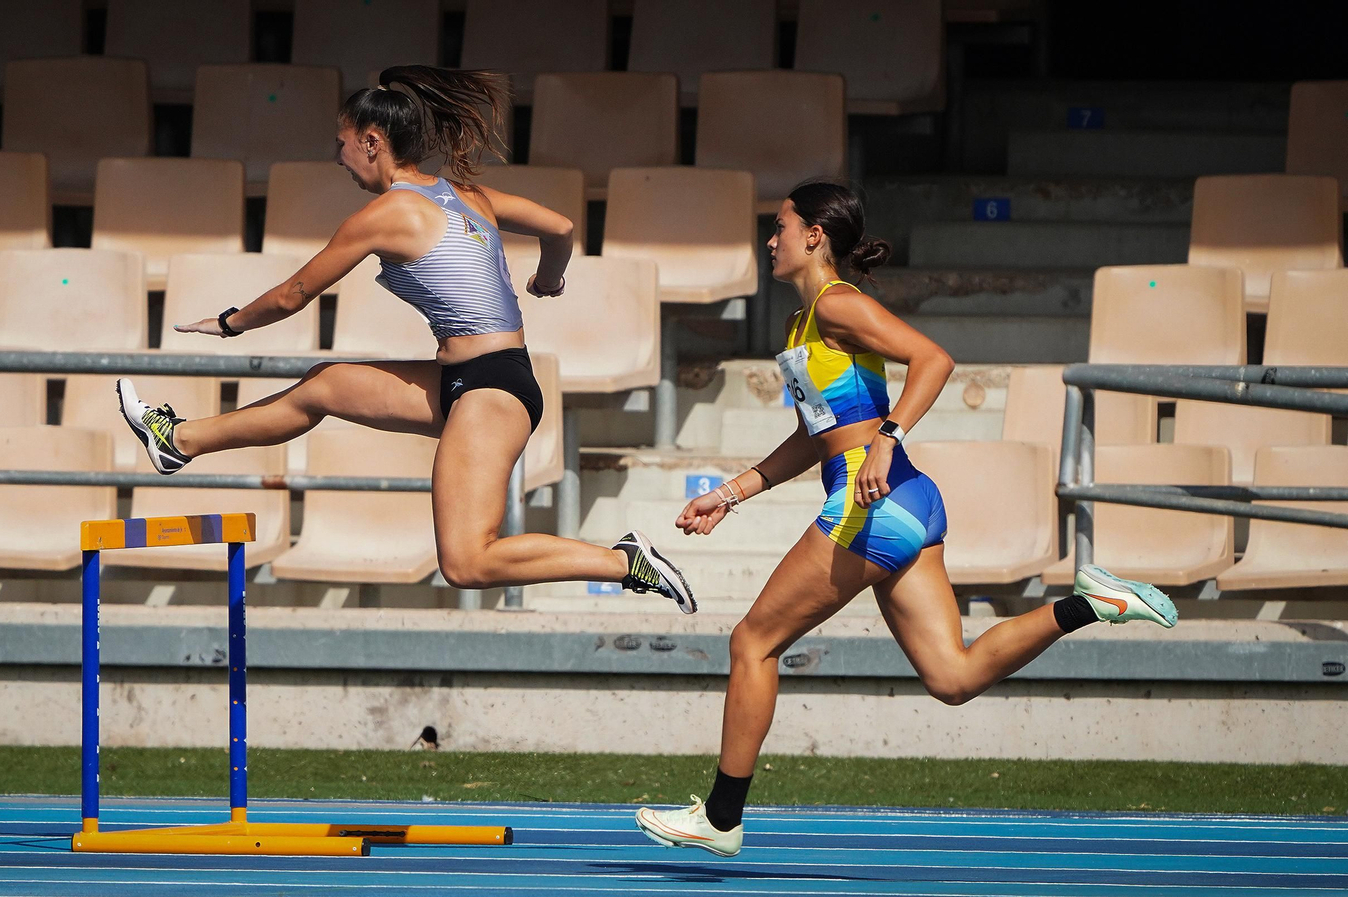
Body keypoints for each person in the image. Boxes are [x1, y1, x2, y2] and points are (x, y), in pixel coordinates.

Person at [634, 181, 1178, 857]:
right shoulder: (800, 326)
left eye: (780, 226)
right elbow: (816, 434)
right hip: (907, 502)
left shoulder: (838, 303)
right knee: (953, 676)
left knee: (752, 642)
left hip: (874, 502)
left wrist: (888, 436)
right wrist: (734, 492)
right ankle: (1090, 605)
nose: (769, 239)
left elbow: (934, 358)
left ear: (814, 236)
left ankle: (721, 816)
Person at [116, 65, 693, 611]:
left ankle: (624, 562)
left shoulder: (389, 212)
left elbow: (295, 294)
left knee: (466, 562)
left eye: (341, 145)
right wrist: (549, 277)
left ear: (372, 140)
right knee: (326, 387)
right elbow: (563, 228)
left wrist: (228, 323)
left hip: (492, 392)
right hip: (471, 379)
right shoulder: (470, 196)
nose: (338, 159)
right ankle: (179, 442)